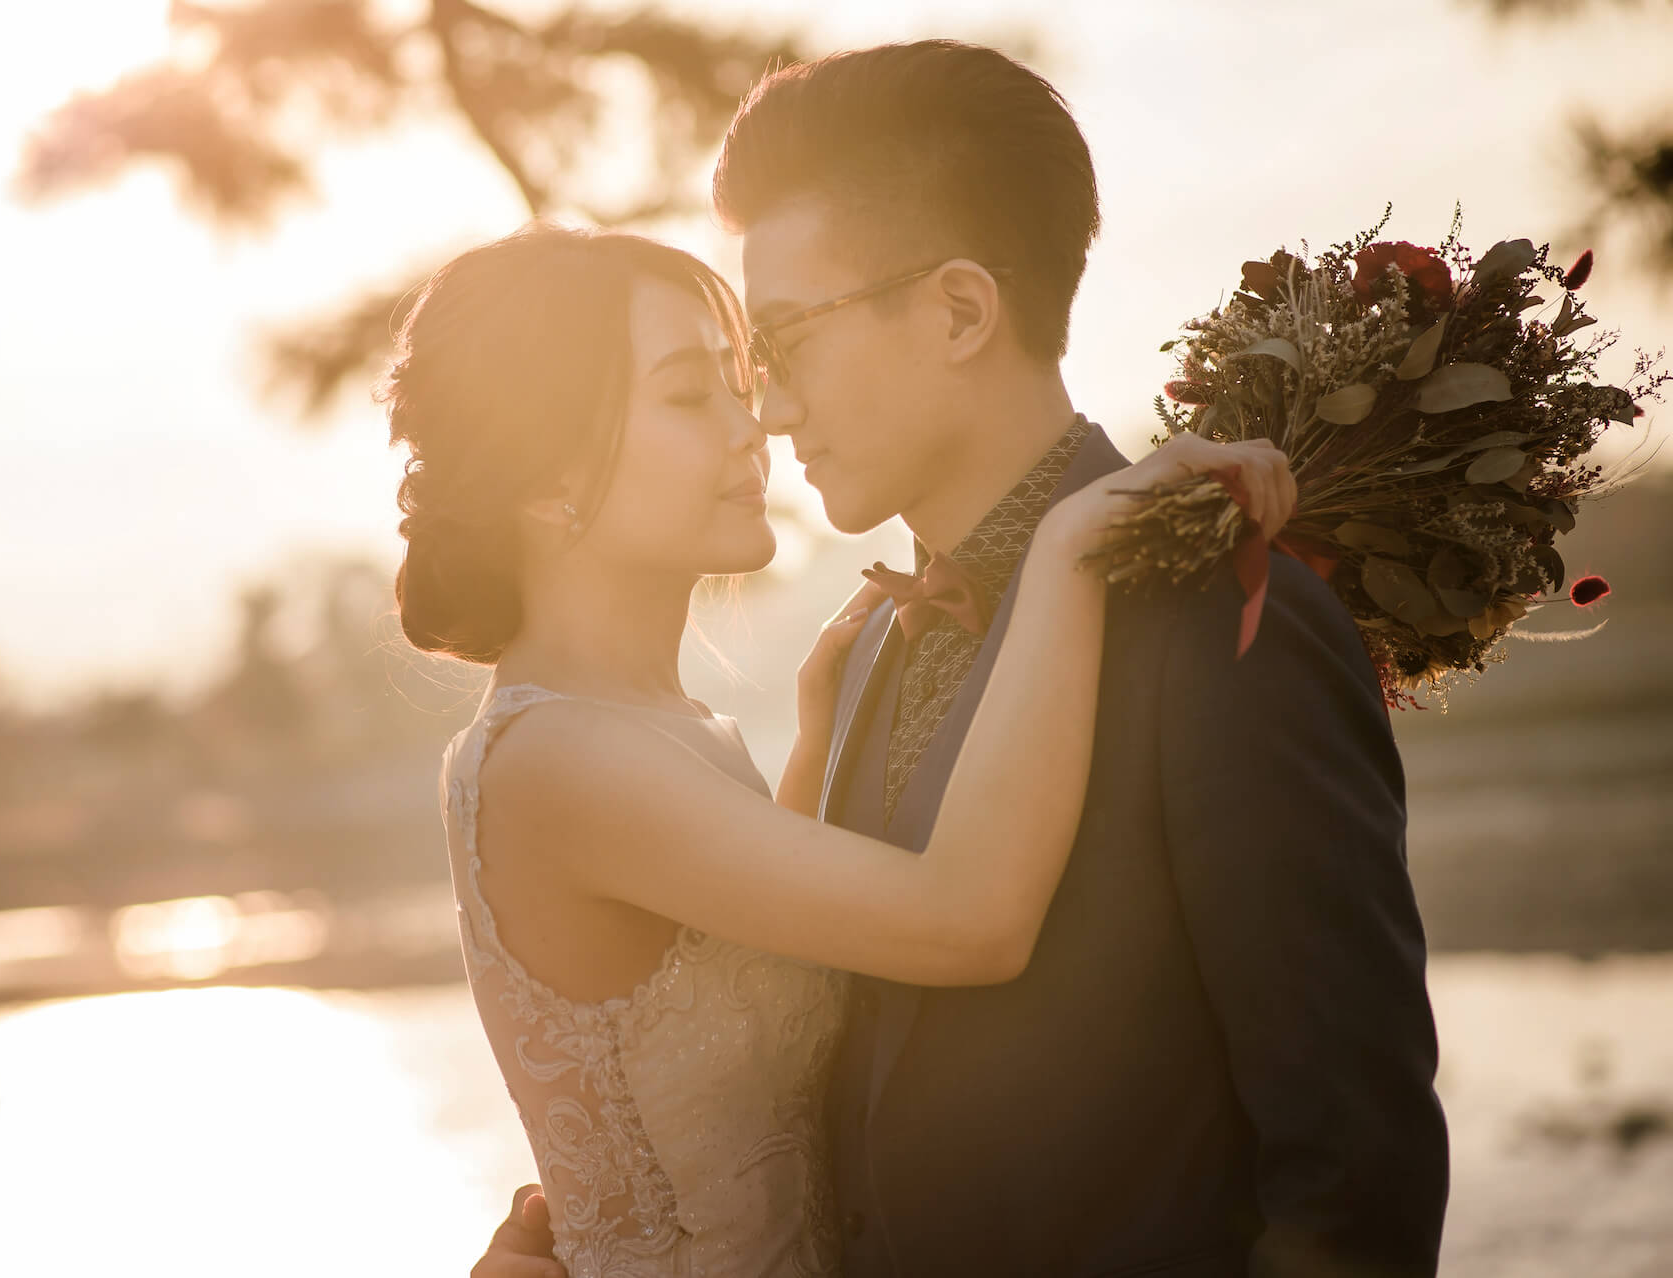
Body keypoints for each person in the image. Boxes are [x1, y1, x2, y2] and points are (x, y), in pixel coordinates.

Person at [473, 41, 1449, 1278]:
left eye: (784, 344)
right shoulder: (874, 640)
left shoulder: (1227, 611)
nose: (766, 411)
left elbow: (1354, 1185)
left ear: (958, 310)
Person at [390, 221, 1293, 1278]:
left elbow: (746, 973)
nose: (754, 427)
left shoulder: (669, 731)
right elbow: (969, 924)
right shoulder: (554, 761)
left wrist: (818, 736)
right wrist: (1069, 552)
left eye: (743, 384)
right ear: (545, 480)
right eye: (691, 396)